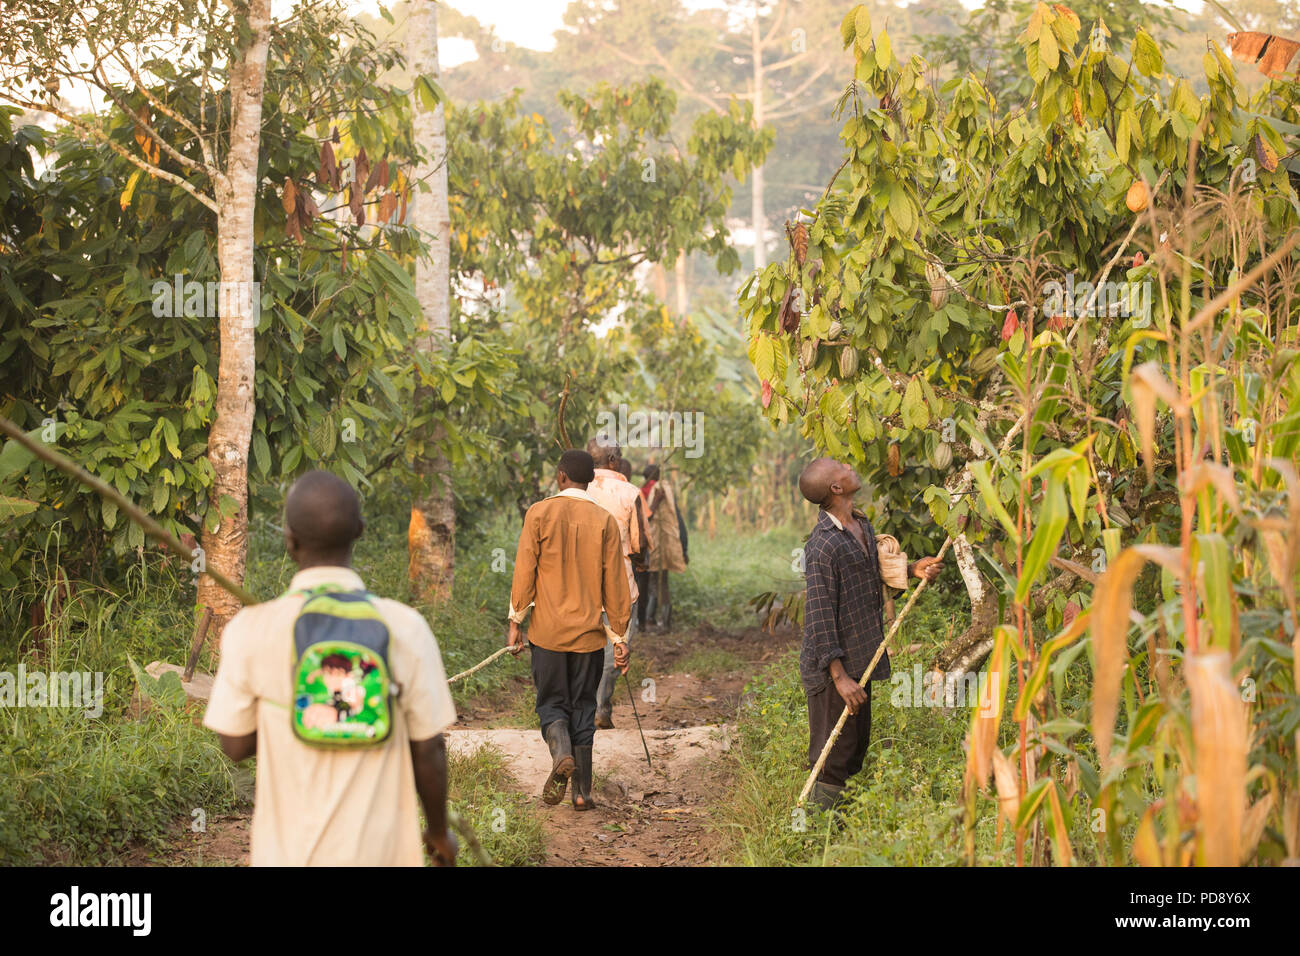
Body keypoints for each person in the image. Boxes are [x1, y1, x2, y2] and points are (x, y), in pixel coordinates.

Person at [204, 470, 458, 866]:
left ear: (289, 538)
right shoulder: (405, 627)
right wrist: (439, 832)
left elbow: (234, 747)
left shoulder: (252, 629)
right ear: (359, 530)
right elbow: (428, 748)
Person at [798, 457, 943, 812]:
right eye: (840, 467)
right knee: (833, 754)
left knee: (856, 748)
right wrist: (840, 677)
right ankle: (816, 833)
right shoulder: (821, 547)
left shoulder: (860, 523)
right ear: (836, 488)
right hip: (835, 669)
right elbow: (819, 618)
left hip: (862, 658)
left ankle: (842, 830)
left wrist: (911, 569)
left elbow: (866, 575)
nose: (848, 465)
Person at [508, 449, 632, 811]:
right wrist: (620, 636)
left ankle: (560, 751)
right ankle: (582, 793)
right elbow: (616, 585)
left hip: (546, 636)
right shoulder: (604, 521)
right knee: (583, 708)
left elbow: (524, 573)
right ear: (590, 481)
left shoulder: (539, 513)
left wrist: (516, 621)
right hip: (589, 639)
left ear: (561, 476)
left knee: (551, 704)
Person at [584, 434, 648, 729]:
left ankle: (580, 706)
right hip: (619, 584)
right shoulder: (630, 493)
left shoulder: (574, 489)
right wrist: (640, 563)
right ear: (614, 460)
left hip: (577, 584)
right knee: (616, 644)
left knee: (583, 643)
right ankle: (601, 707)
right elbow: (640, 544)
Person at [643, 463, 688, 632]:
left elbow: (647, 517)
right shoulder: (657, 493)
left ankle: (653, 620)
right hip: (659, 545)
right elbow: (677, 521)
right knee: (660, 584)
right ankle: (658, 620)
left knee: (655, 584)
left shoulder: (653, 492)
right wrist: (683, 549)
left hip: (656, 545)